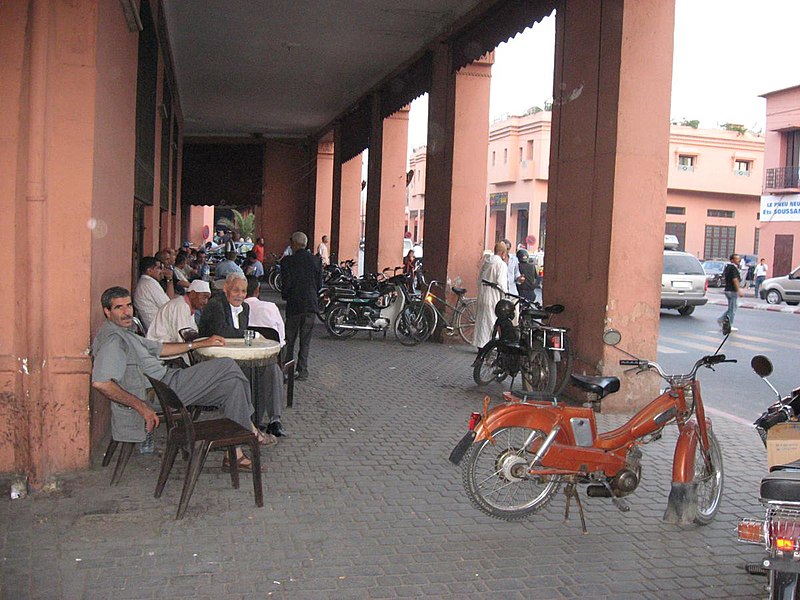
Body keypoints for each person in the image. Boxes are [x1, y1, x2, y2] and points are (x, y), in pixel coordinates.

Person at [92, 286, 270, 470]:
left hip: (168, 381)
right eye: (119, 307)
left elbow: (161, 349)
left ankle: (235, 454)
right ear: (107, 311)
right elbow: (101, 382)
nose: (126, 312)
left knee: (232, 387)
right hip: (162, 392)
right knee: (227, 365)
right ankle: (249, 429)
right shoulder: (113, 341)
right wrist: (141, 406)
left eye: (128, 306)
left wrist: (199, 343)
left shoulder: (125, 332)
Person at [200, 273, 286, 438]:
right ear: (226, 288)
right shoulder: (215, 305)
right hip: (215, 360)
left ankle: (267, 421)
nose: (240, 295)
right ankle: (249, 424)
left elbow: (240, 338)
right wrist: (251, 334)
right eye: (236, 290)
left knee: (270, 368)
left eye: (243, 291)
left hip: (237, 357)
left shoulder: (245, 308)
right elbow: (223, 333)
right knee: (253, 374)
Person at [280, 231, 322, 381]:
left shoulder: (287, 262)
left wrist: (286, 296)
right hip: (310, 306)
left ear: (294, 244)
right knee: (305, 340)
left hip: (294, 305)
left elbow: (286, 285)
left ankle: (287, 370)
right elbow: (319, 285)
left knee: (289, 340)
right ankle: (302, 370)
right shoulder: (316, 261)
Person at [147, 279, 212, 364]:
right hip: (163, 355)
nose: (206, 302)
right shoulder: (181, 306)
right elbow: (182, 339)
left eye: (207, 298)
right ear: (192, 294)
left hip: (170, 352)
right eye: (204, 297)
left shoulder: (187, 306)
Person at [473, 242, 509, 349]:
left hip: (483, 294)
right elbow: (502, 283)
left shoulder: (486, 262)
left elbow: (479, 279)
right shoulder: (501, 265)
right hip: (494, 297)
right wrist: (506, 295)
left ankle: (481, 344)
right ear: (503, 253)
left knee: (481, 322)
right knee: (492, 321)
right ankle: (490, 345)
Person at [133, 256, 174, 331]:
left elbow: (169, 301)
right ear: (149, 271)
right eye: (158, 268)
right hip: (159, 330)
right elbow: (169, 306)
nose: (162, 271)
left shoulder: (147, 282)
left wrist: (169, 279)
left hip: (159, 326)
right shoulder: (149, 283)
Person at [717, 253, 743, 332]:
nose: (738, 260)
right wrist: (739, 290)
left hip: (728, 290)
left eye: (738, 259)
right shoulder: (733, 268)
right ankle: (729, 325)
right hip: (732, 290)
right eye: (736, 259)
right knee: (732, 309)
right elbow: (735, 280)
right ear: (732, 260)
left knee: (732, 308)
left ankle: (721, 319)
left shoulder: (728, 267)